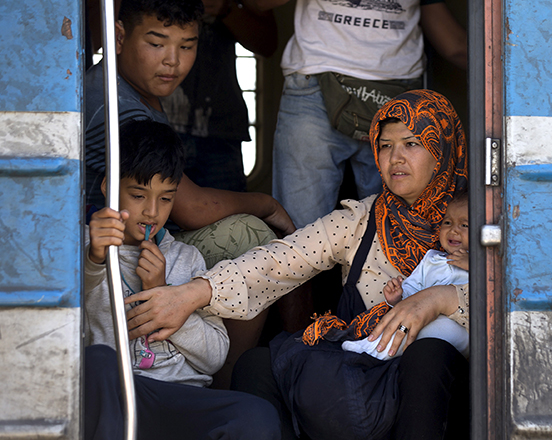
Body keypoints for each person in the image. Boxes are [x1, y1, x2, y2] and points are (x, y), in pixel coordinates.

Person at [122, 90, 470, 439]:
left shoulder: (484, 223)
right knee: (257, 365)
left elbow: (511, 301)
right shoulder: (364, 219)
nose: (395, 158)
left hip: (434, 398)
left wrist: (437, 299)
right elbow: (278, 261)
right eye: (384, 145)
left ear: (442, 147)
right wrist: (192, 294)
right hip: (365, 378)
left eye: (411, 144)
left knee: (429, 355)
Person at [85, 0, 295, 389]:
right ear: (117, 37)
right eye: (157, 43)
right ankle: (228, 381)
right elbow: (195, 208)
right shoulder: (119, 106)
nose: (173, 61)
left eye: (187, 45)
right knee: (251, 236)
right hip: (113, 246)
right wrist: (267, 203)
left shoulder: (127, 88)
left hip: (143, 241)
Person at [83, 119, 280, 440]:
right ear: (108, 187)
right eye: (137, 195)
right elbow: (67, 327)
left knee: (257, 415)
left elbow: (214, 358)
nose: (151, 212)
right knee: (97, 362)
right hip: (118, 395)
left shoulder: (185, 259)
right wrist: (94, 260)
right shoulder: (85, 249)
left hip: (180, 397)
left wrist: (164, 293)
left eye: (165, 198)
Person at [245, 0, 467, 229]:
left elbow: (454, 44)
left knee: (400, 230)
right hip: (317, 84)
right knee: (299, 231)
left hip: (397, 96)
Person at [161, 0, 277, 192]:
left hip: (220, 130)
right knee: (153, 211)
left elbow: (268, 44)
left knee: (228, 220)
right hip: (154, 122)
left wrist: (226, 10)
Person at [341, 190, 470, 360]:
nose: (453, 230)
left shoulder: (486, 260)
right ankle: (372, 345)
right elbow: (413, 291)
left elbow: (492, 285)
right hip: (425, 319)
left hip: (461, 329)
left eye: (464, 225)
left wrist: (472, 263)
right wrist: (397, 299)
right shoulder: (432, 259)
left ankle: (374, 351)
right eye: (447, 222)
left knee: (428, 329)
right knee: (406, 321)